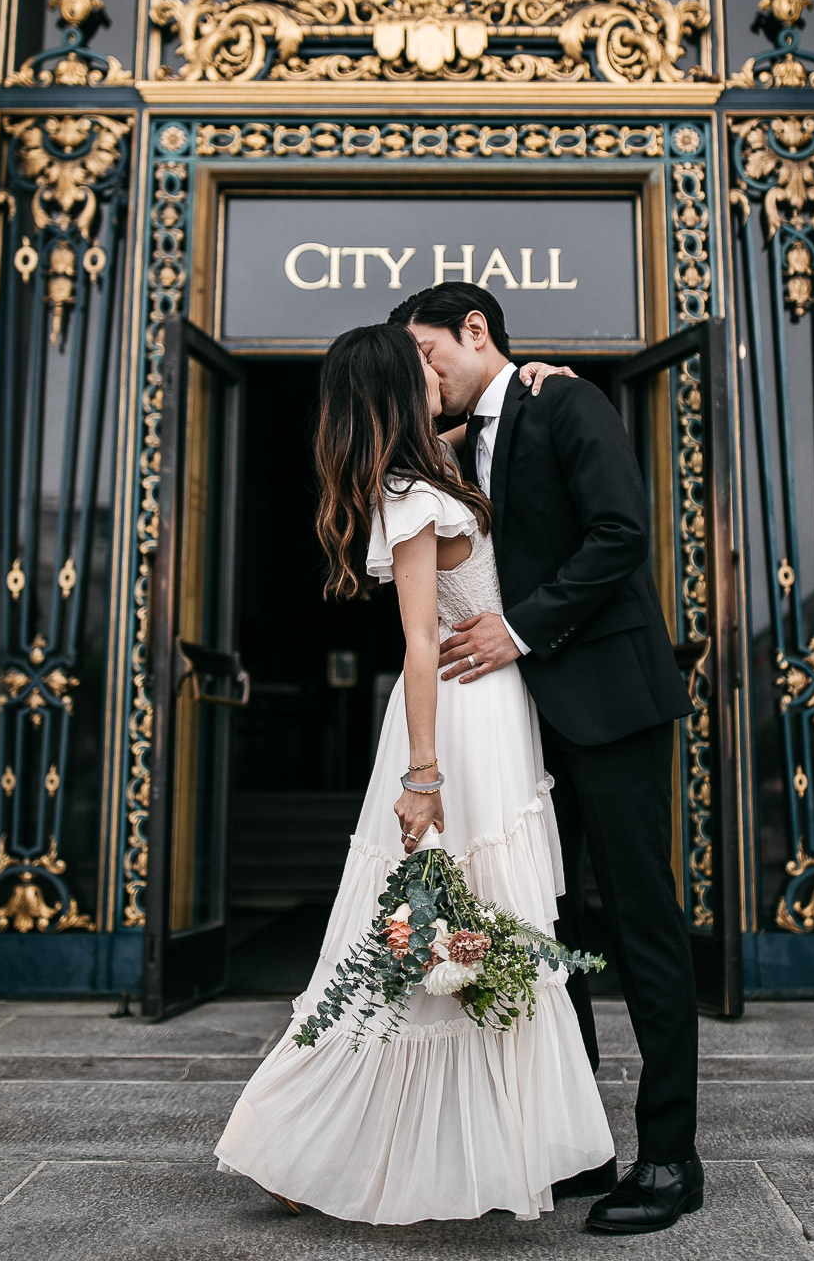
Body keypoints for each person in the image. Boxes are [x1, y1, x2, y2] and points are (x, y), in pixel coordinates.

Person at [213, 323, 614, 1223]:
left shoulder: (439, 460)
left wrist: (543, 375)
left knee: (473, 935)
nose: (438, 370)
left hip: (495, 714)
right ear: (399, 385)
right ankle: (300, 1141)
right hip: (457, 724)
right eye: (421, 365)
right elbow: (420, 642)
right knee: (421, 936)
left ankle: (474, 1147)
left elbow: (506, 411)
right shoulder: (408, 492)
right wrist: (423, 775)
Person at [389, 283, 703, 1237]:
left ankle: (670, 1159)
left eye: (430, 354)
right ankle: (582, 1145)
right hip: (525, 726)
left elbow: (622, 535)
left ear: (474, 331)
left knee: (643, 925)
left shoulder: (565, 400)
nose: (424, 374)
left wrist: (517, 630)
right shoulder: (452, 446)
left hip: (610, 706)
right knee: (543, 933)